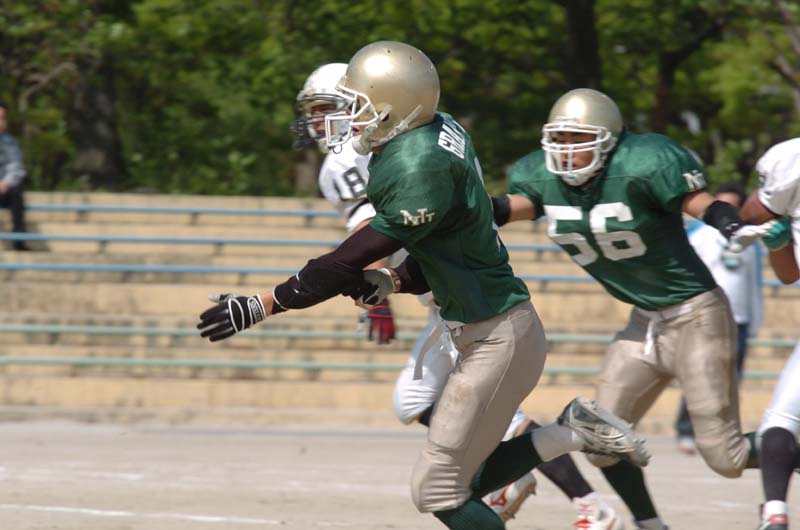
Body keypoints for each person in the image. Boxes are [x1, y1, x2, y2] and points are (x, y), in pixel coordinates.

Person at [200, 42, 648, 530]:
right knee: (455, 481)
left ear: (396, 105)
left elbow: (348, 257)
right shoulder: (434, 128)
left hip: (495, 333)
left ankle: (576, 459)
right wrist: (392, 281)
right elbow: (441, 245)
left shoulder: (416, 165)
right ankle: (569, 432)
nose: (347, 119)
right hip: (485, 322)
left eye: (355, 107)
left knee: (438, 490)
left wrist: (264, 303)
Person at [492, 88, 771, 530]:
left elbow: (699, 203)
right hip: (643, 321)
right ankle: (650, 525)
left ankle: (787, 451)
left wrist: (729, 222)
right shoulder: (541, 178)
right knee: (601, 440)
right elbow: (509, 208)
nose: (567, 151)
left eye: (578, 140)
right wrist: (465, 211)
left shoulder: (643, 162)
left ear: (608, 141)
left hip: (697, 315)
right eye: (560, 139)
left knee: (726, 456)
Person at [675, 182, 764, 455]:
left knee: (731, 379)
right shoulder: (698, 235)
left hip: (739, 319)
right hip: (705, 316)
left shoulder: (749, 240)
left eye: (733, 206)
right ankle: (687, 429)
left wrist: (755, 319)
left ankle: (724, 434)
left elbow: (753, 283)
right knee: (700, 374)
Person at [739, 137, 800, 530]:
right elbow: (790, 272)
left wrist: (766, 222)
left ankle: (775, 511)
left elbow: (752, 212)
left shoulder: (792, 158)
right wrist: (779, 242)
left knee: (781, 421)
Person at [0, 102, 29, 251]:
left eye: (3, 119)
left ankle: (19, 239)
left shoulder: (10, 142)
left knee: (17, 190)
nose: (1, 123)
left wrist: (5, 182)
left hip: (4, 189)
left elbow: (16, 166)